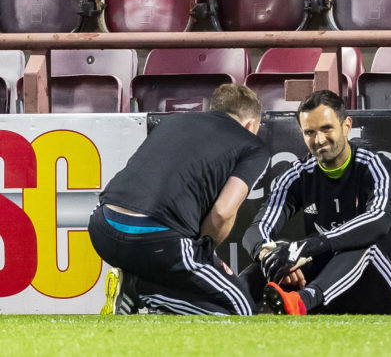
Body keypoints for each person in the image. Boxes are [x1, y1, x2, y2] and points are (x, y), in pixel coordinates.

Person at [89, 83, 270, 316]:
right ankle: (142, 292)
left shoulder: (173, 121)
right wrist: (203, 254)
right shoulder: (253, 145)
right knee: (240, 308)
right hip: (156, 240)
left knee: (174, 271)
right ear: (250, 125)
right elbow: (222, 213)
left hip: (102, 226)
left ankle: (136, 282)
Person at [241, 90, 391, 315]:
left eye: (326, 128)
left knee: (363, 244)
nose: (319, 139)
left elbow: (377, 221)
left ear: (346, 126)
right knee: (279, 253)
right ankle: (232, 298)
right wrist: (268, 255)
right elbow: (257, 230)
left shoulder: (376, 166)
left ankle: (302, 301)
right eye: (309, 132)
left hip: (389, 294)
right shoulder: (297, 174)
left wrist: (307, 246)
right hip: (330, 291)